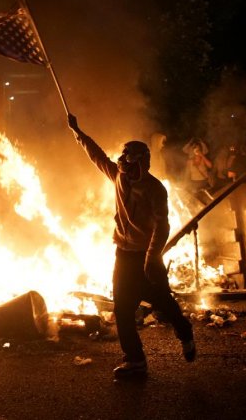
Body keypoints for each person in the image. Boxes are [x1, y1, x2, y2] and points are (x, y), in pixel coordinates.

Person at [67, 113, 195, 379]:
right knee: (122, 309)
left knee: (163, 303)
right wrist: (78, 132)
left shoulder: (155, 190)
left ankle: (185, 332)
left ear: (142, 164)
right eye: (123, 159)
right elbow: (97, 156)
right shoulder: (117, 177)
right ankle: (135, 361)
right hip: (123, 255)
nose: (123, 164)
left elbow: (162, 227)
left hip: (147, 257)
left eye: (129, 160)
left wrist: (151, 259)